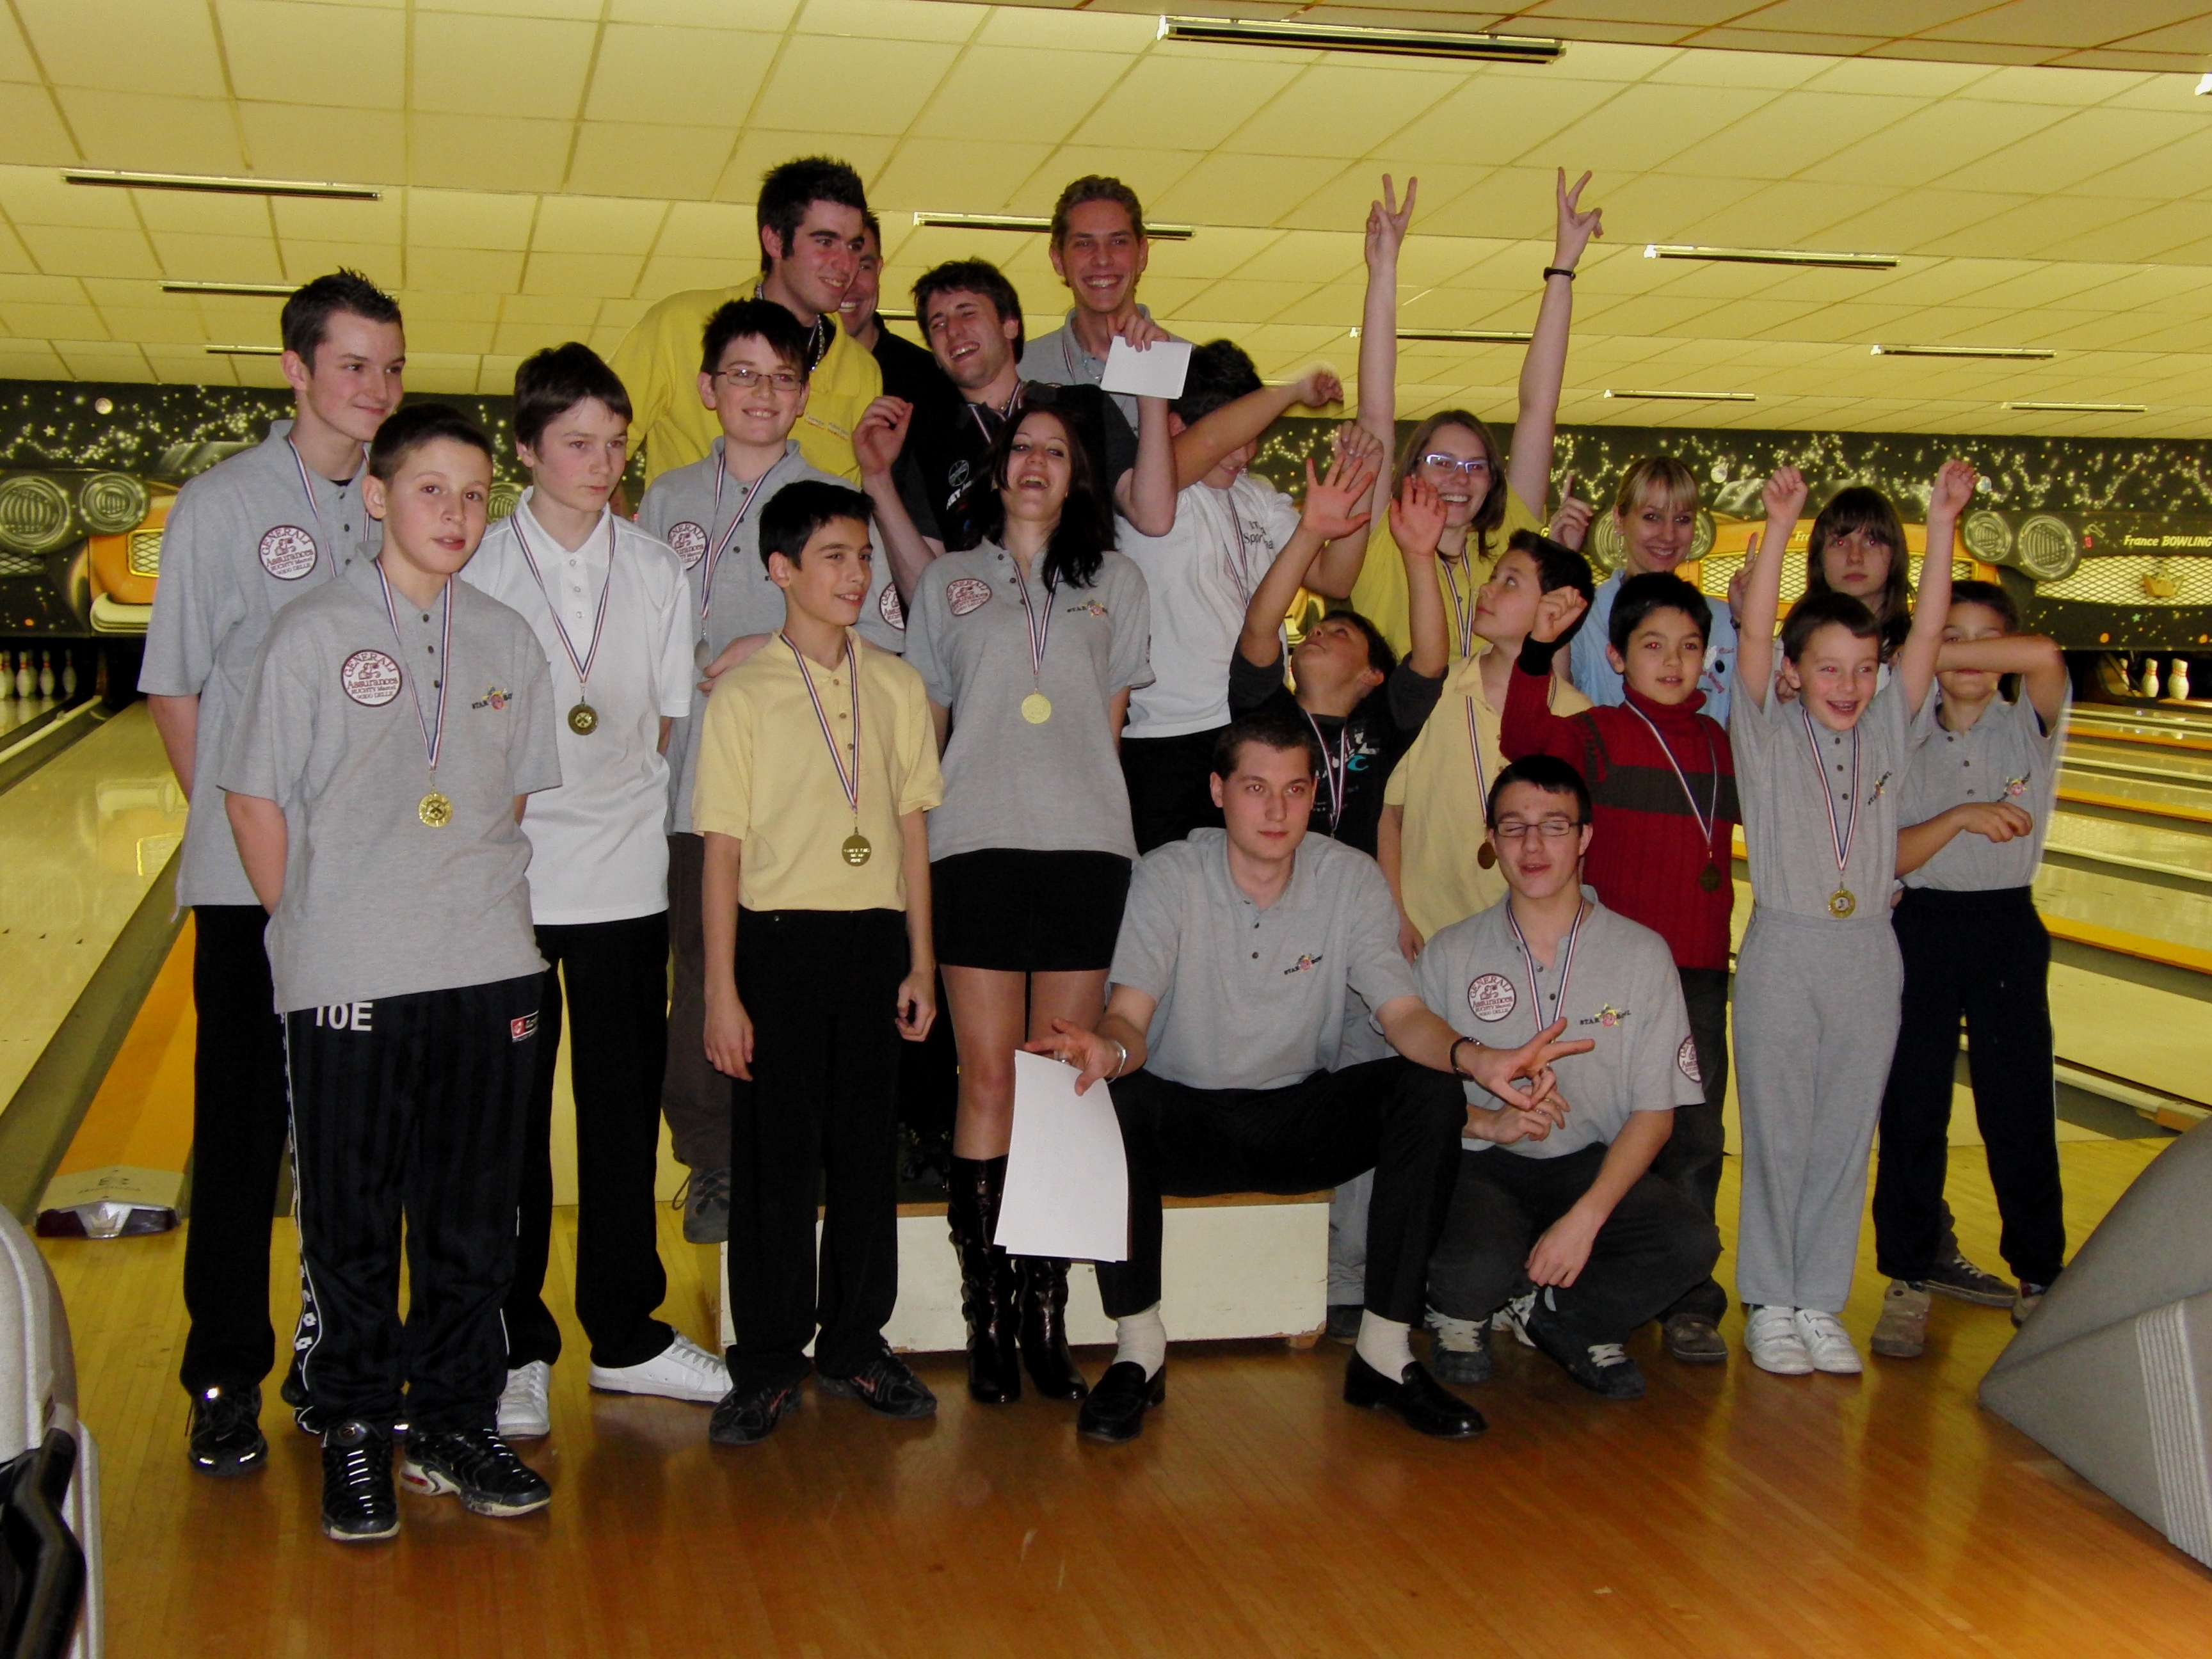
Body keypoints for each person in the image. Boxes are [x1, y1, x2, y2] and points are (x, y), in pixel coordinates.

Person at [1025, 707, 1592, 1443]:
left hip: (1298, 1118)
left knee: (1426, 1088)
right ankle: (1139, 1350)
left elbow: (1402, 1016)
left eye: (1294, 790)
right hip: (1186, 1121)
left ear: (1314, 797)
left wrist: (1476, 1058)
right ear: (1219, 791)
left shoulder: (1350, 879)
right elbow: (1128, 1018)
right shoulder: (1169, 874)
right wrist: (1110, 1051)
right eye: (1255, 788)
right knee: (1119, 1095)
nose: (1276, 810)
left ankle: (1385, 1353)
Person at [220, 403, 561, 1543]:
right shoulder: (310, 631)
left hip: (490, 965)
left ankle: (456, 1422)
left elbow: (512, 796)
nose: (455, 513)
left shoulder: (508, 637)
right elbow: (254, 801)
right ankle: (357, 1425)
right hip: (350, 971)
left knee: (476, 1222)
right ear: (377, 496)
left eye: (472, 494)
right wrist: (317, 928)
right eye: (429, 489)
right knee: (353, 1222)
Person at [140, 269, 405, 1477]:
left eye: (390, 367)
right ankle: (222, 1375)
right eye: (351, 364)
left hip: (371, 883)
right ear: (296, 370)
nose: (375, 387)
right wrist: (248, 844)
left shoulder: (400, 501)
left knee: (357, 1140)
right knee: (245, 1132)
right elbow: (175, 687)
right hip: (250, 882)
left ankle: (340, 1360)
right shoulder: (221, 504)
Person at [458, 344, 729, 1439]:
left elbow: (659, 724)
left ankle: (625, 1336)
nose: (602, 462)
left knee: (620, 1117)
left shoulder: (655, 568)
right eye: (577, 443)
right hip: (509, 884)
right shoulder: (478, 565)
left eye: (616, 443)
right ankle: (515, 1346)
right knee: (511, 1124)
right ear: (525, 450)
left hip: (622, 880)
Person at [637, 298, 908, 1245]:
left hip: (806, 798)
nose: (763, 392)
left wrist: (776, 644)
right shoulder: (666, 499)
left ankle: (806, 1153)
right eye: (743, 374)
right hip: (695, 785)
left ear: (804, 396)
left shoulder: (835, 498)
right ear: (707, 388)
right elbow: (639, 638)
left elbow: (885, 635)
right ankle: (712, 1159)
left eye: (783, 378)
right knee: (703, 971)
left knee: (798, 982)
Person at [901, 403, 1152, 1409]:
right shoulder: (945, 584)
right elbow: (927, 736)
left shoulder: (1117, 581)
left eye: (1056, 449)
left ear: (1075, 472)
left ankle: (1048, 1318)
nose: (1037, 462)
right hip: (975, 845)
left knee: (1060, 1086)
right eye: (1021, 449)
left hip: (1087, 847)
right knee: (990, 1080)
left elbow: (1109, 729)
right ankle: (989, 1320)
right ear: (996, 471)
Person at [693, 481, 945, 1444]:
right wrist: (722, 991)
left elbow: (914, 832)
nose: (856, 574)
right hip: (778, 940)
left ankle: (854, 1345)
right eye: (834, 556)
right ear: (782, 570)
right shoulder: (745, 693)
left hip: (875, 940)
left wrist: (921, 962)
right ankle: (765, 1361)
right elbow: (721, 850)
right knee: (777, 1160)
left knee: (866, 1153)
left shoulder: (897, 686)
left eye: (863, 556)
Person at [1729, 461, 1966, 1377]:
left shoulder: (1888, 728)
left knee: (1843, 1134)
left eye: (1864, 669)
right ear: (1795, 672)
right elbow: (1755, 634)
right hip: (1787, 945)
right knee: (1781, 1134)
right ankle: (1770, 1299)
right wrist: (1782, 526)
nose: (1849, 683)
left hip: (1869, 949)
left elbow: (1929, 630)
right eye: (1828, 668)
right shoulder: (1764, 726)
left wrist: (1940, 525)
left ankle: (1819, 1300)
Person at [1231, 453, 1454, 1342]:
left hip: (1355, 936)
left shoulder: (1379, 723)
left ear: (1370, 678)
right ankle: (1261, 1254)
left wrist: (1419, 556)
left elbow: (1432, 659)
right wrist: (1311, 533)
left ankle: (1350, 1274)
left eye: (1340, 634)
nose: (1316, 634)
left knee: (1369, 1084)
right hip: (1267, 933)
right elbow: (1259, 630)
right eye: (1316, 627)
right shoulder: (1265, 719)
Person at [1420, 756, 1721, 1399]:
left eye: (1554, 827)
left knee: (1689, 1242)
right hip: (1481, 1165)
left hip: (1588, 1162)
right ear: (1492, 839)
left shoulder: (1642, 954)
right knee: (1472, 1270)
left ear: (1585, 837)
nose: (1533, 847)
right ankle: (1465, 1305)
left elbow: (1656, 1113)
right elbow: (1409, 1093)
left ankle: (1561, 1314)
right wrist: (1487, 1122)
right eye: (1514, 827)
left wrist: (1586, 1219)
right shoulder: (1449, 953)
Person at [1500, 570, 1740, 1365]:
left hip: (1698, 973)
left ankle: (1688, 1300)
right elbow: (1523, 739)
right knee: (1608, 1128)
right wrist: (1539, 650)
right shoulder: (1597, 733)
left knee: (1695, 1136)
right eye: (1652, 646)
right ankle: (1581, 1271)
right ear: (1616, 656)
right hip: (1616, 975)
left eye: (1689, 647)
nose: (1673, 662)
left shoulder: (1719, 744)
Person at [1871, 582, 2071, 1359]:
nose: (1971, 656)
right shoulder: (1903, 727)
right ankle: (1908, 1274)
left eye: (1989, 641)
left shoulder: (2030, 725)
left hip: (2006, 929)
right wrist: (1959, 819)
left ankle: (2040, 1273)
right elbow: (1891, 856)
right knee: (1913, 1107)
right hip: (1920, 926)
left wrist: (1937, 645)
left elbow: (2045, 655)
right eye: (1951, 638)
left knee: (2018, 1107)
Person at [1322, 170, 1601, 662]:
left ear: (1491, 481)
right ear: (1410, 473)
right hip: (1412, 715)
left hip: (1498, 716)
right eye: (1442, 462)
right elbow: (1376, 411)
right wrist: (1383, 267)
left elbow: (1539, 408)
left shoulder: (1508, 540)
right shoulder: (1382, 537)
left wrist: (1563, 267)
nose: (1459, 478)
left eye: (1476, 466)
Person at [1117, 344, 1370, 851]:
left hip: (1254, 720)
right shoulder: (1152, 492)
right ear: (1174, 427)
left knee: (1263, 881)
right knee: (1175, 887)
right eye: (1237, 438)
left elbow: (1335, 578)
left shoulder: (1255, 494)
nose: (1245, 454)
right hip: (1169, 735)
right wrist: (1292, 390)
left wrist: (1360, 479)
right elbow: (1211, 439)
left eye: (1254, 438)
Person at [1380, 531, 1594, 958]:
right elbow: (1390, 814)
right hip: (1423, 931)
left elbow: (1576, 850)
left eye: (1510, 581)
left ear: (1555, 608)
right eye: (1494, 576)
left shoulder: (1576, 715)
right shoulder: (1437, 689)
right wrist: (1396, 915)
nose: (1487, 589)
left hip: (1518, 940)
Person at [614, 156, 882, 485]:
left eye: (854, 246)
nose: (845, 264)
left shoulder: (862, 372)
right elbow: (601, 441)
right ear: (775, 241)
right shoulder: (679, 325)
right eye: (825, 242)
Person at [1568, 457, 1739, 721]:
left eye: (1682, 519)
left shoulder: (1726, 620)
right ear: (1619, 519)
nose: (1668, 535)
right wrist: (1561, 563)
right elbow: (1551, 700)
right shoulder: (1584, 615)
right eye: (1652, 517)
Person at [1018, 174, 1187, 428]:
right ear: (1058, 260)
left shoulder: (1192, 369)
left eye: (1118, 242)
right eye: (1084, 244)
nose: (1103, 259)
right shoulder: (1020, 373)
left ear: (1142, 254)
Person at [841, 211, 960, 423]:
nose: (849, 283)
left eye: (864, 267)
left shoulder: (932, 384)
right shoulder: (790, 371)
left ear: (879, 269)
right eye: (837, 268)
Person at [1803, 485, 1914, 663]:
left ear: (1895, 554)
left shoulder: (1924, 643)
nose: (1855, 557)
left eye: (1872, 542)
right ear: (1820, 558)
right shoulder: (1794, 644)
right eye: (1840, 543)